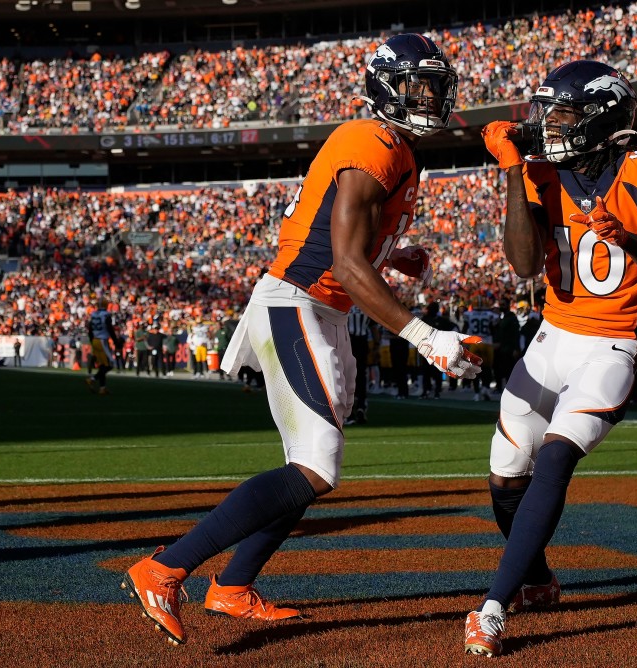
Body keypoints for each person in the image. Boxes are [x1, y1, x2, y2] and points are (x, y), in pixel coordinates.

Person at [121, 34, 479, 647]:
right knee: (317, 465)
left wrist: (394, 255)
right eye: (419, 84)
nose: (431, 96)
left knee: (309, 466)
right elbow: (341, 262)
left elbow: (346, 244)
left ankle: (232, 586)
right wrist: (425, 336)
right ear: (387, 87)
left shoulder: (397, 150)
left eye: (435, 85)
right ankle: (165, 567)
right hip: (299, 304)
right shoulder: (371, 142)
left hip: (322, 309)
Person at [466, 60, 637, 657]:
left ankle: (492, 608)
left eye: (562, 113)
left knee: (557, 457)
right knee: (505, 478)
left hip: (611, 343)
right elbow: (521, 263)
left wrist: (625, 237)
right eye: (547, 113)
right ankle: (536, 576)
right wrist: (513, 172)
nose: (548, 125)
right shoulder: (542, 173)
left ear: (602, 118)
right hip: (551, 338)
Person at [85, 299, 122, 395]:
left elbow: (90, 329)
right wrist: (115, 341)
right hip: (102, 341)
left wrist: (91, 340)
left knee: (102, 366)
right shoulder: (106, 315)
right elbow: (109, 328)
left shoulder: (93, 314)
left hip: (95, 340)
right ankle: (92, 379)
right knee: (110, 364)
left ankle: (102, 388)